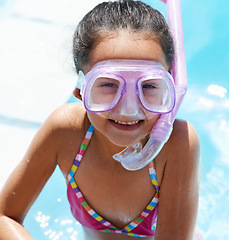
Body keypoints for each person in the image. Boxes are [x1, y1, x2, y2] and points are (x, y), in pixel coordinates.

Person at [0, 1, 200, 239]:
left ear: (171, 91)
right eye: (107, 84)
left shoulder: (177, 143)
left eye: (148, 85)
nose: (129, 109)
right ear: (80, 91)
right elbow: (5, 216)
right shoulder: (66, 131)